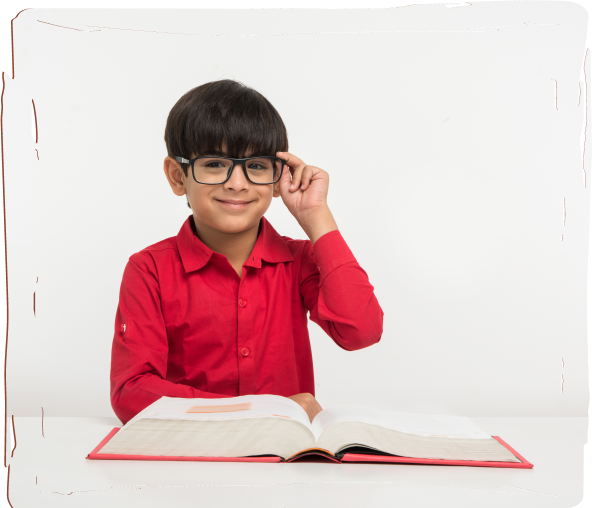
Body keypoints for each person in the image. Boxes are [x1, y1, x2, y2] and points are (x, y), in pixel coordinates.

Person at [110, 79, 384, 426]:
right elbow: (131, 392)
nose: (237, 183)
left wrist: (317, 218)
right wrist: (254, 411)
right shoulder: (149, 269)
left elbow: (361, 331)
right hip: (189, 458)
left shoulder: (299, 261)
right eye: (214, 164)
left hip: (285, 460)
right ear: (178, 176)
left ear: (277, 178)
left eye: (255, 166)